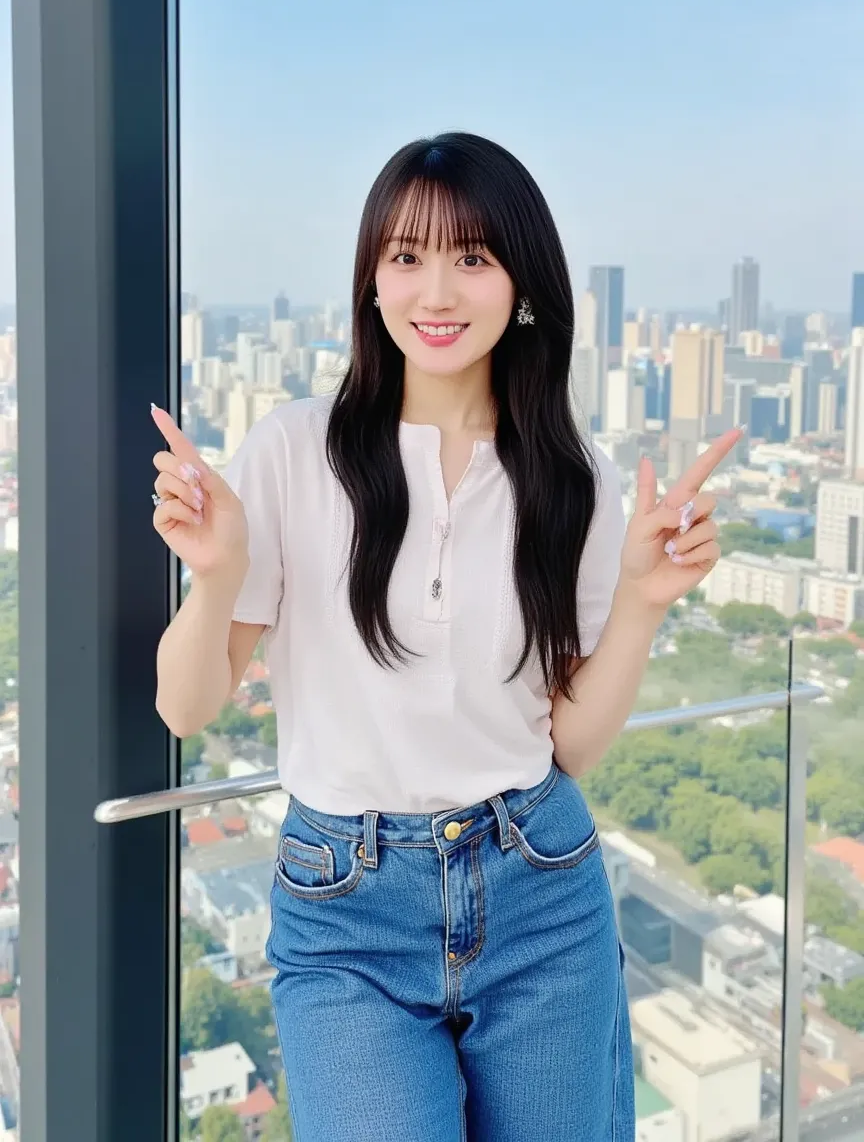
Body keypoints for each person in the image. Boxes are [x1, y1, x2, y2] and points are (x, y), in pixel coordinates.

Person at [152, 132, 737, 1142]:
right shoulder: (294, 450)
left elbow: (571, 746)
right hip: (347, 913)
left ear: (524, 283)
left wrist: (641, 603)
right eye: (406, 256)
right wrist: (212, 581)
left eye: (472, 257)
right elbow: (185, 706)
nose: (437, 289)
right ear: (371, 281)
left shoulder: (574, 481)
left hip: (540, 892)